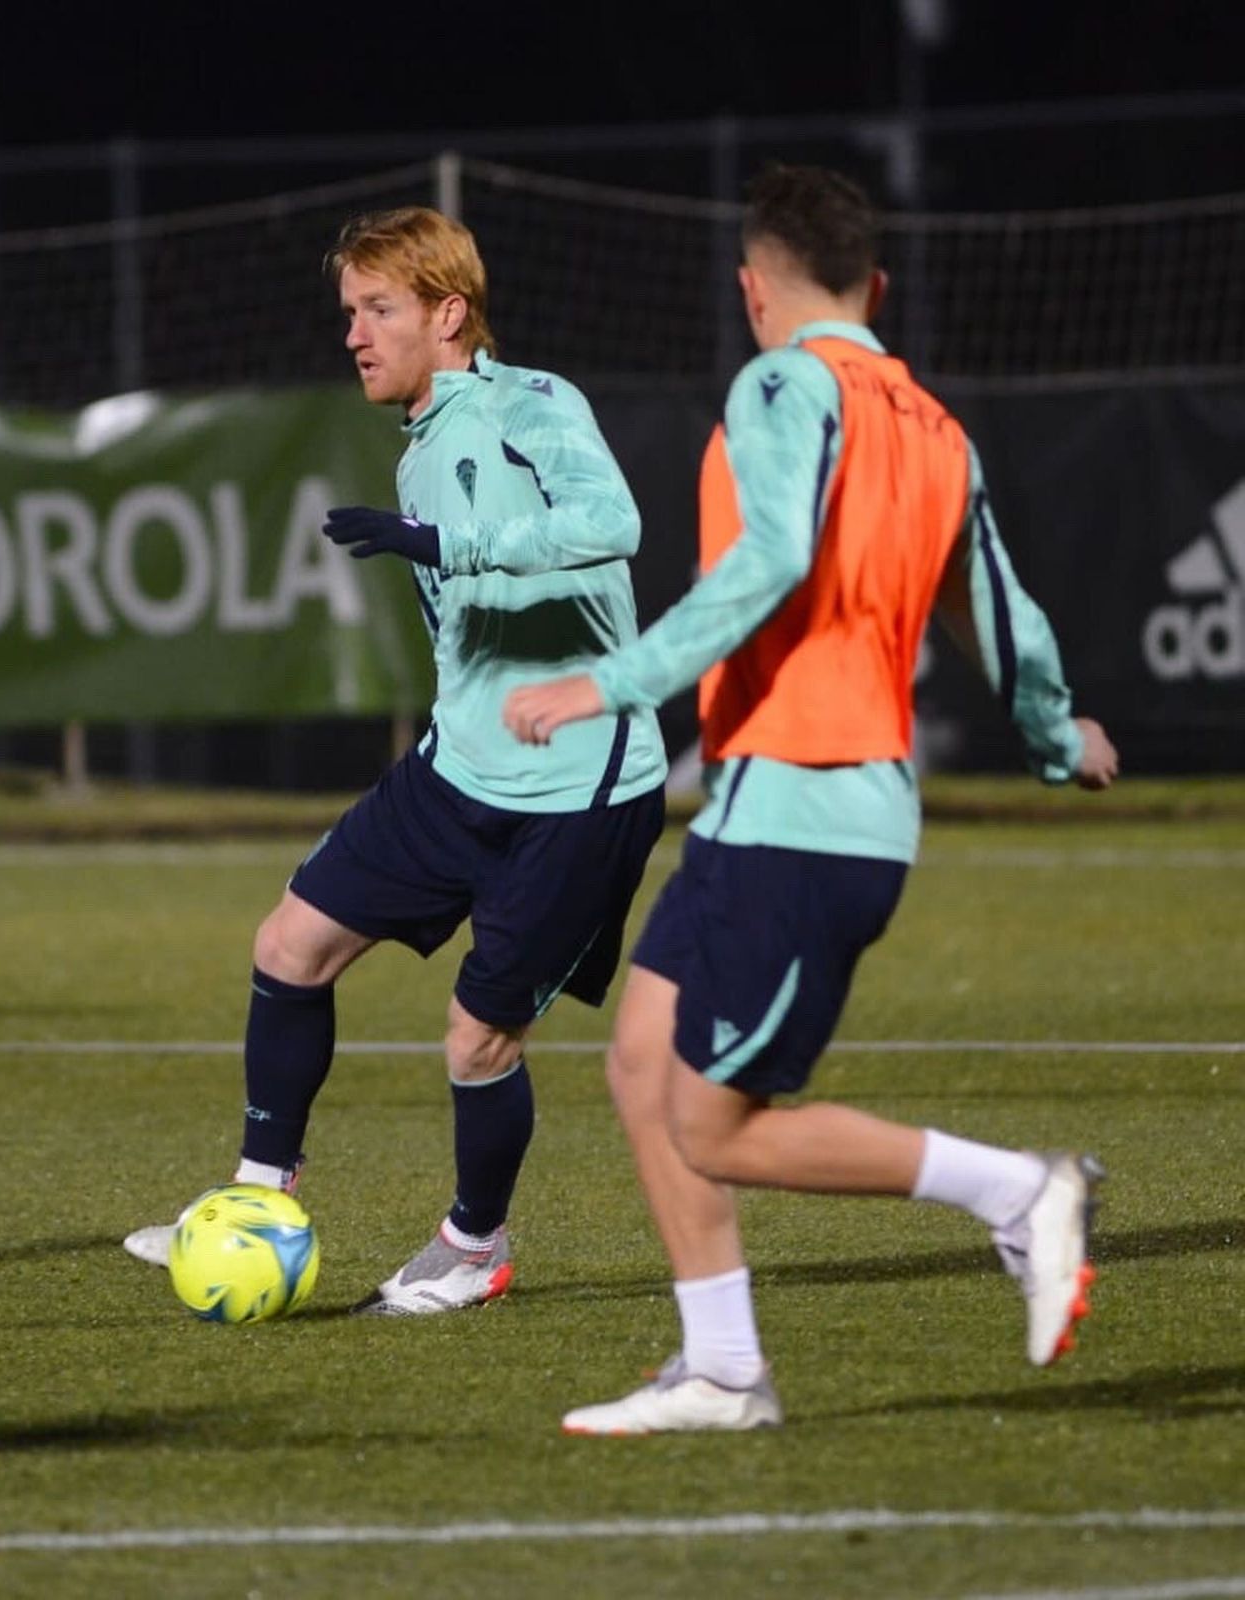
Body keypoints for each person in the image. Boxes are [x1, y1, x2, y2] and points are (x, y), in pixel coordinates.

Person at [503, 163, 1120, 1431]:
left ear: (752, 286)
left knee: (716, 1126)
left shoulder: (781, 382)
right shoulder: (936, 426)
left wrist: (612, 683)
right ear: (874, 286)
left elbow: (773, 555)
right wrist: (1058, 736)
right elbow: (996, 611)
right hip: (761, 806)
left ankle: (1015, 1189)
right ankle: (722, 1369)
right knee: (638, 1064)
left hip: (811, 806)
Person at [124, 206, 667, 1313]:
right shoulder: (419, 448)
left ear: (448, 312)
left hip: (575, 786)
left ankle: (474, 1246)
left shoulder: (536, 403)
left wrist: (446, 543)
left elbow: (613, 522)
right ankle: (257, 1195)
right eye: (349, 313)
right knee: (288, 944)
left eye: (378, 310)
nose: (354, 335)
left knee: (477, 1040)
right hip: (453, 771)